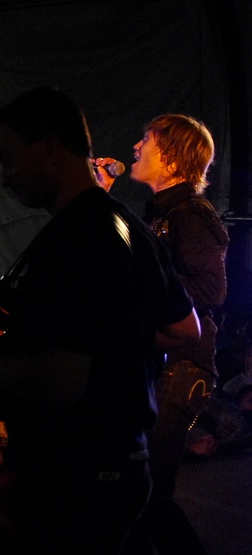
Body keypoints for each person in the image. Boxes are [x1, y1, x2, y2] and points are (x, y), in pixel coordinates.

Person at [0, 86, 200, 554]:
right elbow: (182, 327)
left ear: (51, 148)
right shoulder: (134, 231)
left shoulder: (74, 240)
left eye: (10, 158)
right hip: (122, 466)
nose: (5, 178)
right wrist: (117, 330)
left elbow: (60, 384)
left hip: (66, 476)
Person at [108, 114, 228, 555]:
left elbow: (211, 289)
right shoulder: (160, 213)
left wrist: (148, 300)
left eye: (146, 139)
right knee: (134, 492)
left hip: (183, 365)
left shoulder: (190, 214)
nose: (136, 147)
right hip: (158, 362)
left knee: (150, 494)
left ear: (173, 155)